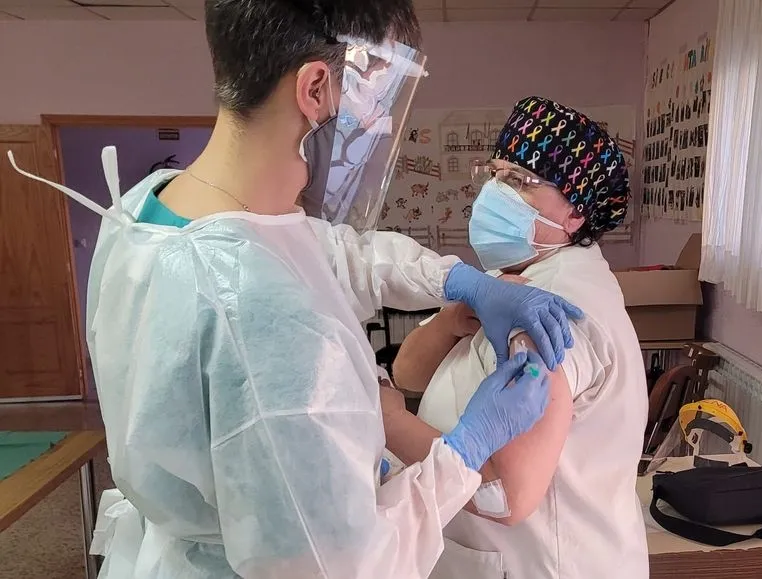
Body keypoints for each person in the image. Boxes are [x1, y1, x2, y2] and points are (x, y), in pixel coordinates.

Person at [6, 4, 584, 579]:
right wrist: (464, 452)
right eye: (374, 93)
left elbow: (331, 252)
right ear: (314, 88)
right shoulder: (263, 314)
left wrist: (456, 280)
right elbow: (343, 564)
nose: (379, 121)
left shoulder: (150, 212)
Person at [381, 97, 650, 578]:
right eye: (496, 173)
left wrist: (388, 422)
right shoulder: (507, 280)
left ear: (576, 213)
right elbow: (408, 374)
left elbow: (503, 495)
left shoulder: (555, 308)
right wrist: (449, 322)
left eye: (521, 181)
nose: (495, 192)